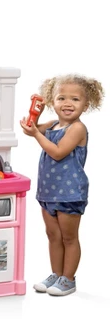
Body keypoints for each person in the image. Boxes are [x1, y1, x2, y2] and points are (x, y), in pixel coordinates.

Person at [20, 74, 104, 296]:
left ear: (86, 105)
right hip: (48, 191)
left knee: (69, 237)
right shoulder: (53, 124)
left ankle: (68, 279)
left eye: (75, 99)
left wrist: (36, 134)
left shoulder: (77, 128)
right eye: (61, 98)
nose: (68, 103)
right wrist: (35, 113)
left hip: (69, 193)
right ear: (53, 102)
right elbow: (30, 128)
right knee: (53, 236)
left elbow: (57, 152)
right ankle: (56, 274)